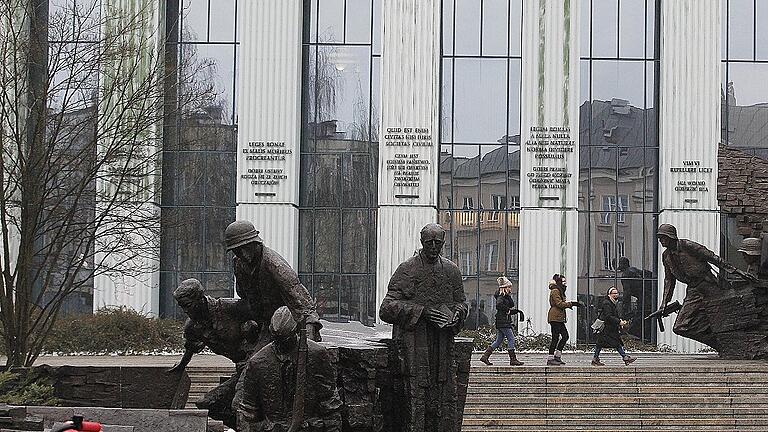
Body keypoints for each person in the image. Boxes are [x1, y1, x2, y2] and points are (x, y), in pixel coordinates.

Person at [378, 223, 468, 432]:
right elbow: (386, 308)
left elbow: (462, 303)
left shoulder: (452, 270)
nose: (434, 247)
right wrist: (421, 311)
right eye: (430, 243)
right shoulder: (407, 269)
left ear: (443, 243)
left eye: (438, 243)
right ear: (422, 242)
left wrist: (457, 314)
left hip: (443, 346)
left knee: (444, 400)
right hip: (415, 345)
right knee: (415, 398)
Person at [167, 279, 259, 427]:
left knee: (238, 405)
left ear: (200, 298)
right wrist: (182, 365)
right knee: (207, 403)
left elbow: (265, 317)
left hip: (256, 363)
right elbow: (191, 347)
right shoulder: (193, 327)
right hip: (241, 369)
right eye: (181, 306)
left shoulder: (229, 307)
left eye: (188, 305)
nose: (185, 310)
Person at [237, 307, 342, 432]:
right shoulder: (257, 363)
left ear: (296, 331)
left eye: (286, 339)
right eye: (277, 339)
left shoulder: (317, 354)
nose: (281, 345)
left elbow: (330, 405)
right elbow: (248, 414)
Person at [225, 220, 322, 343]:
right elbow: (243, 296)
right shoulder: (238, 263)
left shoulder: (275, 265)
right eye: (237, 250)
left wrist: (307, 343)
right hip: (261, 322)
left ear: (256, 243)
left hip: (284, 327)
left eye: (245, 248)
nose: (241, 254)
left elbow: (305, 308)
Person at [658, 223, 737, 351]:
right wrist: (664, 303)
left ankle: (725, 339)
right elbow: (669, 281)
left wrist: (733, 270)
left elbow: (712, 257)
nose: (661, 240)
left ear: (671, 237)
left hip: (710, 285)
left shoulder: (687, 245)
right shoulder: (666, 256)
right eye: (659, 238)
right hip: (693, 290)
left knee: (724, 317)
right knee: (680, 327)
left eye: (663, 237)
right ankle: (720, 344)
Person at [479, 276, 523, 366]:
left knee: (498, 340)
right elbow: (499, 305)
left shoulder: (505, 296)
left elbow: (511, 305)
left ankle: (485, 356)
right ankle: (513, 359)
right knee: (511, 339)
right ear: (505, 288)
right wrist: (507, 310)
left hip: (502, 321)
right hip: (503, 322)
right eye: (509, 287)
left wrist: (509, 296)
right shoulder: (501, 296)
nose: (510, 288)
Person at [591, 286, 636, 366]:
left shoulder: (612, 303)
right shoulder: (607, 303)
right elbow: (608, 316)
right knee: (616, 343)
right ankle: (625, 357)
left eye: (617, 293)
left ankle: (595, 359)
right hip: (607, 328)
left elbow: (614, 315)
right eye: (614, 293)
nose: (616, 295)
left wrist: (620, 322)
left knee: (600, 343)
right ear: (609, 294)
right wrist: (619, 322)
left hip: (609, 328)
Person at [547, 274, 581, 366]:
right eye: (563, 282)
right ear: (559, 282)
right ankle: (550, 358)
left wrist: (571, 304)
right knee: (555, 338)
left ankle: (557, 356)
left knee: (565, 336)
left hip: (559, 317)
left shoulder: (559, 290)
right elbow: (559, 304)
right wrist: (571, 304)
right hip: (555, 317)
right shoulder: (555, 291)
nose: (565, 284)